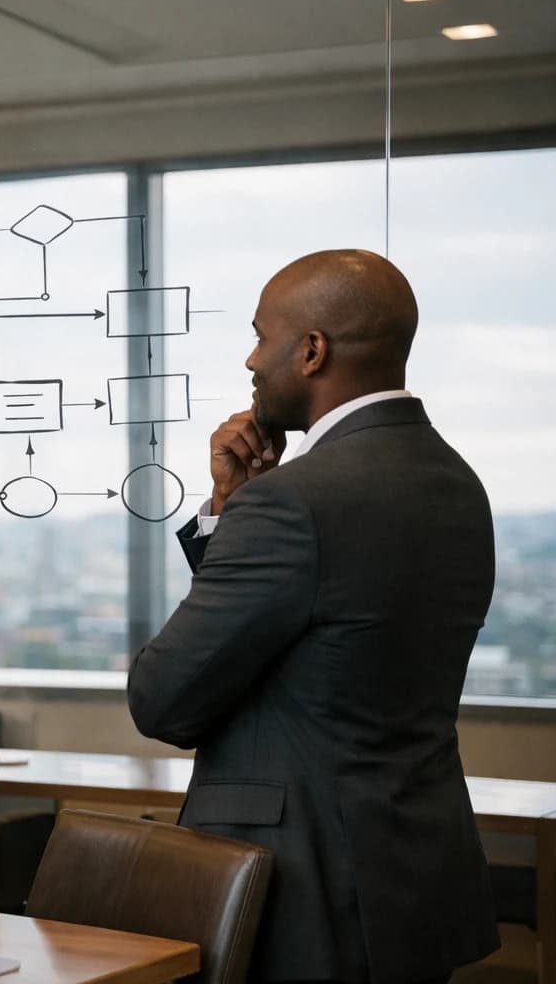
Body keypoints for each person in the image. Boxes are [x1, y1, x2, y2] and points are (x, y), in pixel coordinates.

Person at [128, 249, 499, 984]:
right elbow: (320, 641)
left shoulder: (291, 501)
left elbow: (165, 699)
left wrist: (239, 514)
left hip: (306, 893)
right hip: (415, 880)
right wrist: (232, 513)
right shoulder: (459, 484)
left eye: (260, 337)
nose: (250, 361)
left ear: (311, 351)